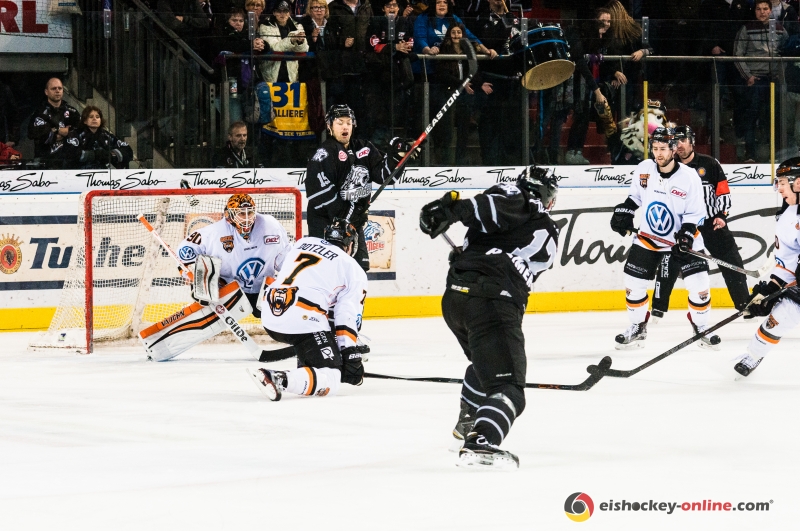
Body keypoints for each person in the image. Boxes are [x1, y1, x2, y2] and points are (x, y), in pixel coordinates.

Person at [418, 166, 559, 469]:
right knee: (509, 389)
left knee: (486, 364)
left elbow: (493, 221)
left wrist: (457, 225)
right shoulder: (531, 209)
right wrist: (456, 209)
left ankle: (468, 421)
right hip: (491, 302)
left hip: (455, 299)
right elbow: (500, 204)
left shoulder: (525, 213)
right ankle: (481, 440)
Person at [609, 127, 720, 349]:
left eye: (663, 149)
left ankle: (701, 327)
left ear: (673, 149)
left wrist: (686, 236)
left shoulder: (689, 177)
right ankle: (638, 327)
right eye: (655, 148)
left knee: (699, 285)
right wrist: (625, 212)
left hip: (682, 239)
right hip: (649, 238)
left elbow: (696, 213)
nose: (658, 153)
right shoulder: (644, 169)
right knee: (633, 284)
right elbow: (635, 197)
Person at [250, 218, 369, 400]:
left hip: (269, 313)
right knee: (332, 376)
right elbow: (346, 314)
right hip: (302, 319)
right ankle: (278, 378)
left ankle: (308, 367)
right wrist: (349, 353)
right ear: (351, 244)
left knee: (319, 321)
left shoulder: (302, 243)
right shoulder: (352, 268)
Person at [651, 125, 749, 320]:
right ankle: (658, 308)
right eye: (675, 141)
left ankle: (745, 305)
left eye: (683, 140)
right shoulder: (669, 167)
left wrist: (721, 215)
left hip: (711, 223)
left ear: (692, 142)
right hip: (682, 227)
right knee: (668, 263)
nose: (679, 145)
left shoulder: (709, 164)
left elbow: (723, 192)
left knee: (731, 262)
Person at [305, 104, 416, 271]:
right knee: (329, 272)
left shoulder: (364, 148)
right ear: (329, 126)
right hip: (326, 225)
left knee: (359, 269)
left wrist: (398, 155)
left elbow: (385, 176)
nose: (345, 127)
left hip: (352, 224)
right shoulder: (325, 153)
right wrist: (347, 214)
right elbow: (317, 192)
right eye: (340, 123)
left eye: (348, 123)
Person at [177, 192, 292, 318]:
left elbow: (285, 259)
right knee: (204, 265)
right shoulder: (215, 232)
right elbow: (184, 252)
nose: (247, 218)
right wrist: (197, 279)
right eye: (241, 213)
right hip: (229, 290)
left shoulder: (270, 225)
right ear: (229, 215)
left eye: (250, 212)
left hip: (261, 289)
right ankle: (205, 308)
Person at [736, 157, 800, 378]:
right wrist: (771, 289)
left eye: (782, 183)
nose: (779, 188)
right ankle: (753, 355)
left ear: (798, 183)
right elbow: (786, 261)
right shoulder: (787, 217)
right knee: (778, 319)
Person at [734, 0, 787, 161]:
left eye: (765, 9)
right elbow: (737, 55)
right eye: (759, 9)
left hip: (774, 80)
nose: (762, 12)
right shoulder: (746, 28)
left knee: (774, 118)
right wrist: (748, 76)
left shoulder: (779, 28)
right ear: (755, 11)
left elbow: (786, 51)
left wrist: (781, 73)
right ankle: (750, 154)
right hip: (755, 80)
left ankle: (775, 155)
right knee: (751, 117)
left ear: (770, 10)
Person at [54, 106, 133, 170]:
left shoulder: (106, 135)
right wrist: (94, 155)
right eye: (91, 117)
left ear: (100, 120)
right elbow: (70, 154)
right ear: (85, 121)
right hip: (80, 174)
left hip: (104, 176)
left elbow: (128, 150)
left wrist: (111, 155)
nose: (94, 119)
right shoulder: (75, 134)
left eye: (97, 117)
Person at [28, 77, 80, 163]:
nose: (57, 91)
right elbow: (33, 133)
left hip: (68, 161)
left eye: (60, 88)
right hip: (45, 160)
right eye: (53, 88)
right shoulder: (40, 112)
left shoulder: (72, 112)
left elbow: (81, 131)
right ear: (46, 92)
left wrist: (68, 132)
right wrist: (58, 132)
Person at [257, 0, 308, 83]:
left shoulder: (297, 25)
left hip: (291, 74)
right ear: (274, 13)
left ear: (289, 13)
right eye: (279, 11)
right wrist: (291, 40)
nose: (282, 14)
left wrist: (300, 42)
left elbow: (304, 49)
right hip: (271, 73)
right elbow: (274, 47)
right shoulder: (266, 26)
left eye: (285, 11)